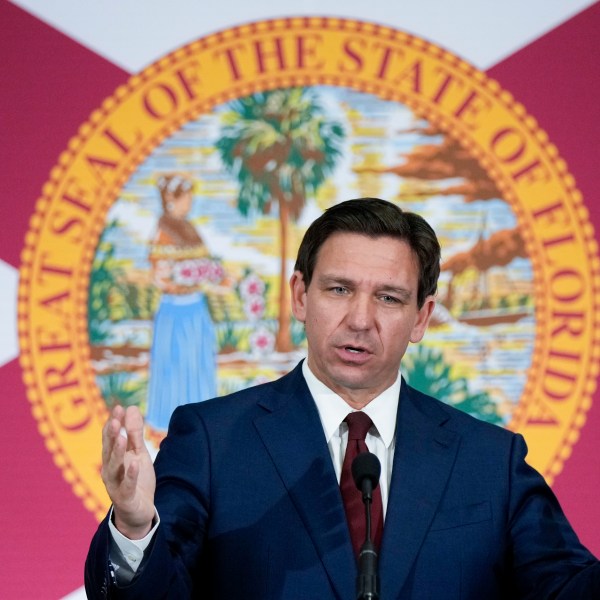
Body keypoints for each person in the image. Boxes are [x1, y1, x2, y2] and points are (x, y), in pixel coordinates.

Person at [85, 198, 599, 599]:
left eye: (389, 297)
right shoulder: (213, 441)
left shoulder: (491, 461)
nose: (359, 318)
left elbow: (566, 588)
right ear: (299, 296)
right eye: (338, 289)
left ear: (421, 317)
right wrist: (133, 525)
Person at [145, 174, 220, 447]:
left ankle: (202, 429)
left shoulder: (190, 229)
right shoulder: (163, 231)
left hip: (196, 310)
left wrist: (211, 278)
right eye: (185, 197)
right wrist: (181, 279)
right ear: (170, 200)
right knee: (174, 368)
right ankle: (165, 431)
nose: (189, 203)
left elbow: (206, 264)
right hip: (175, 312)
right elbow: (160, 275)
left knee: (197, 367)